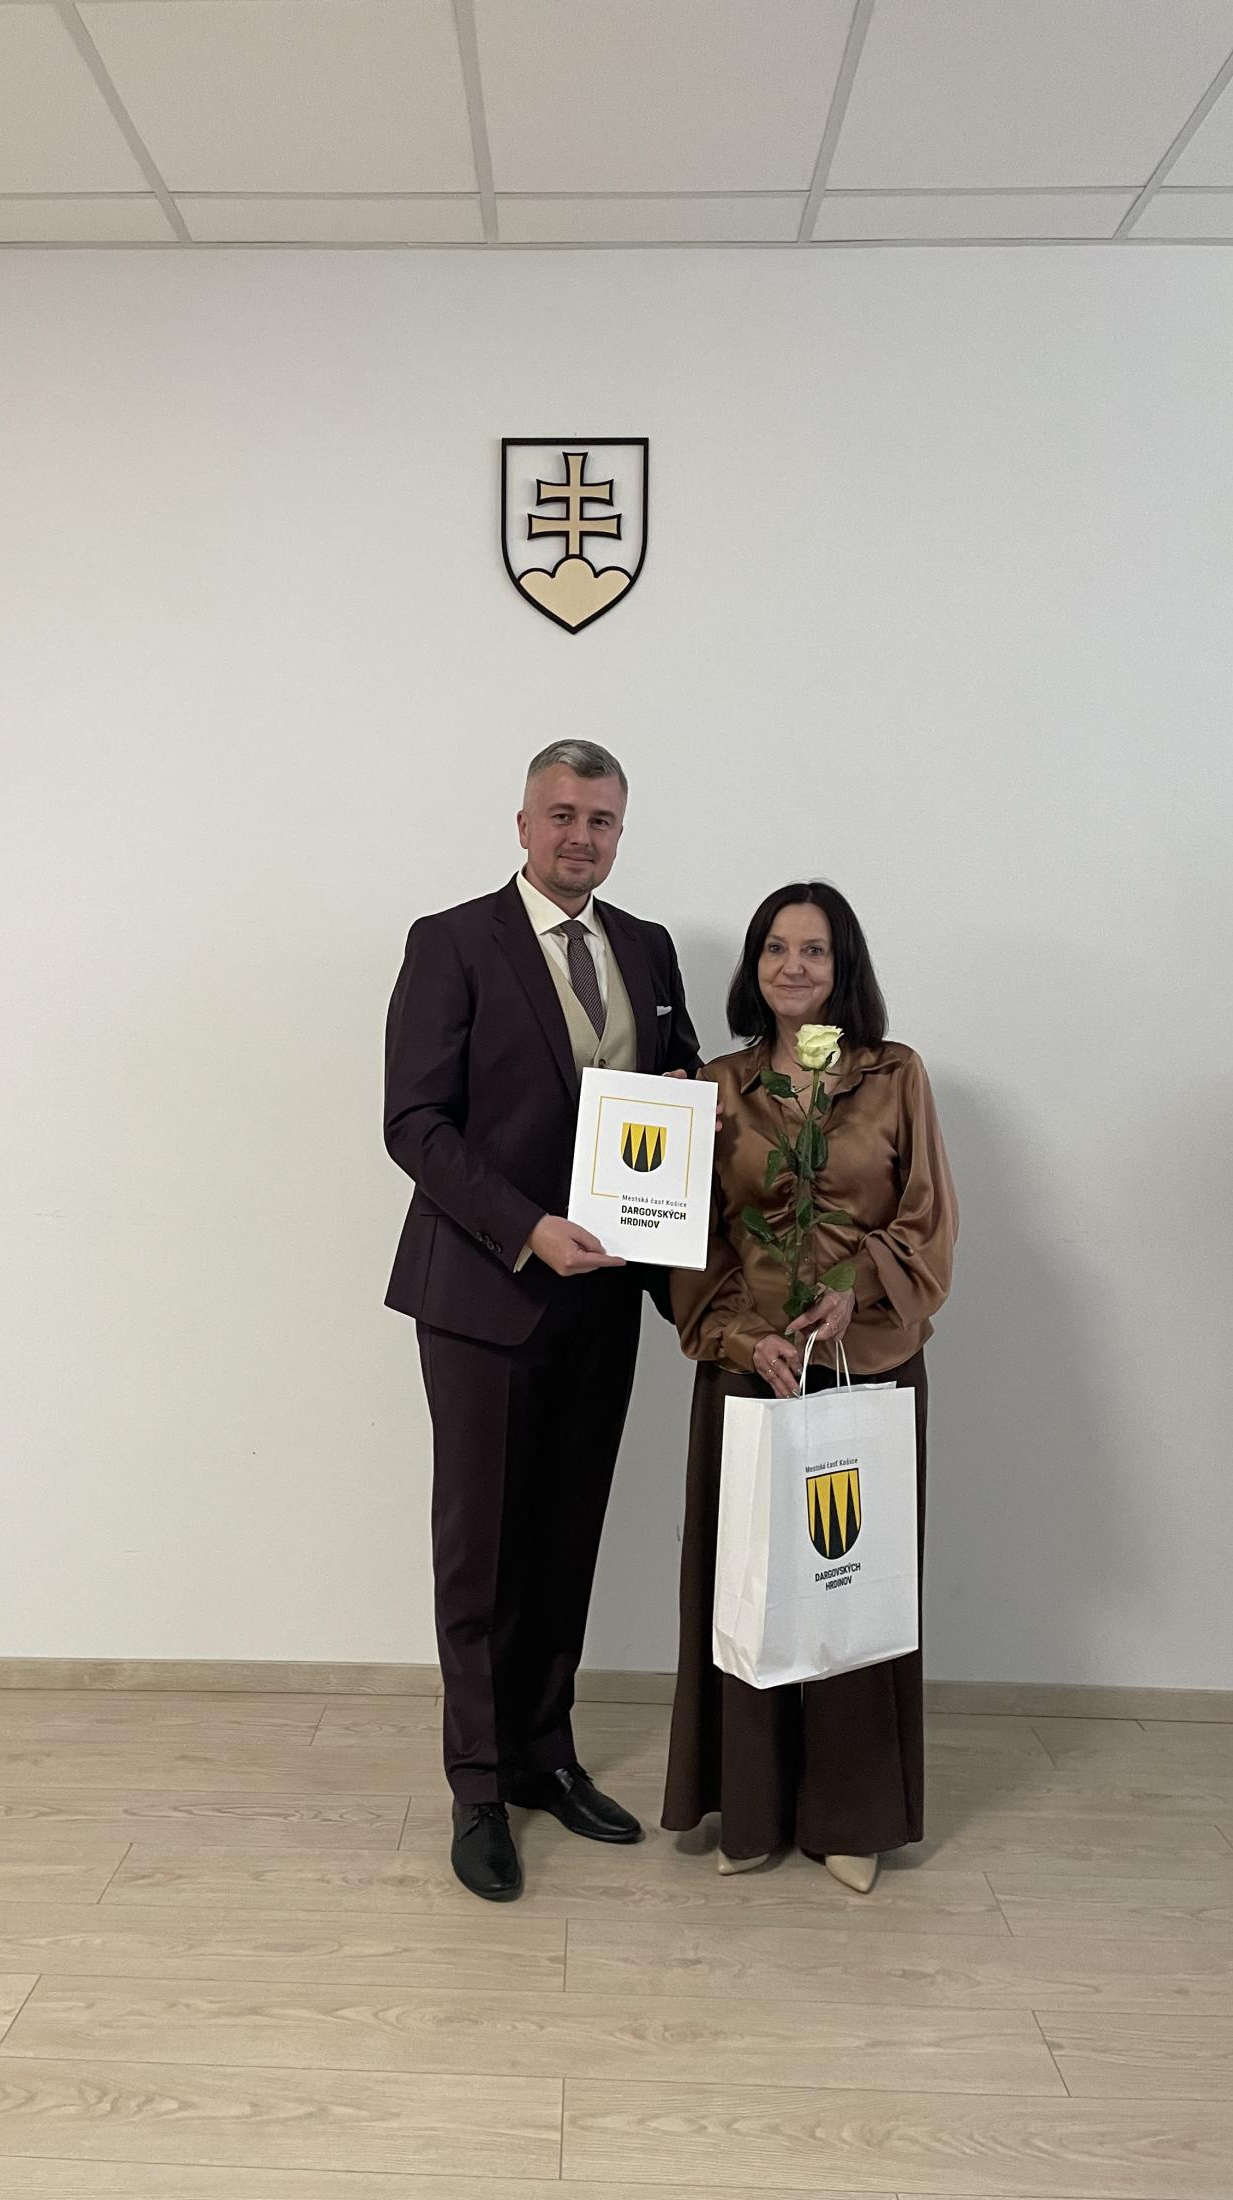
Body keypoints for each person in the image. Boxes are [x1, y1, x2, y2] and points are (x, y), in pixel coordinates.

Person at [384, 740, 702, 1901]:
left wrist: (695, 1114)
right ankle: (477, 1785)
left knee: (567, 1536)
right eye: (561, 814)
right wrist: (526, 1227)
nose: (581, 836)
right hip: (483, 1294)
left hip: (605, 1295)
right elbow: (415, 1123)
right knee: (480, 1551)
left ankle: (542, 1754)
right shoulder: (451, 941)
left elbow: (674, 1086)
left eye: (601, 819)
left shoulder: (648, 948)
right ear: (522, 823)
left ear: (621, 833)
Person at [665, 881, 956, 1893]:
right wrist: (744, 1337)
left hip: (864, 1365)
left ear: (844, 967)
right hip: (753, 1370)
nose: (794, 966)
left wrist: (852, 1290)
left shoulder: (896, 1074)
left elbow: (927, 1220)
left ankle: (851, 1816)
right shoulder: (718, 1086)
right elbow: (695, 1238)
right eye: (776, 949)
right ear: (754, 967)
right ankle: (749, 1806)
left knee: (847, 1582)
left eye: (816, 950)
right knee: (749, 1582)